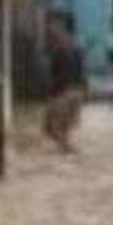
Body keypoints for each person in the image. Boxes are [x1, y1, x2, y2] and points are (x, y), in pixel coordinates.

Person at [44, 10, 88, 153]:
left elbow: (76, 70)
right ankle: (65, 146)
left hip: (65, 90)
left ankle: (65, 146)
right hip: (67, 90)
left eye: (54, 24)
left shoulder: (68, 46)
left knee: (54, 127)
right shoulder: (63, 45)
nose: (49, 26)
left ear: (63, 26)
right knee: (54, 128)